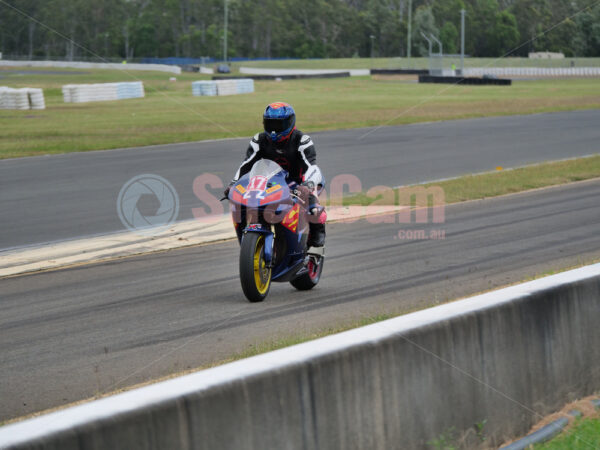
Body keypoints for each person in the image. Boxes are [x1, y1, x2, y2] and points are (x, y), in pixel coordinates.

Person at [225, 102, 326, 247]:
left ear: (290, 123)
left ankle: (317, 240)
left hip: (299, 183)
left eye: (278, 126)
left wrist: (307, 185)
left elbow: (312, 166)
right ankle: (248, 239)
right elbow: (246, 164)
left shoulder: (302, 140)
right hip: (270, 183)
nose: (273, 130)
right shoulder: (258, 140)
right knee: (243, 202)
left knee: (313, 207)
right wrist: (233, 183)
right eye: (270, 124)